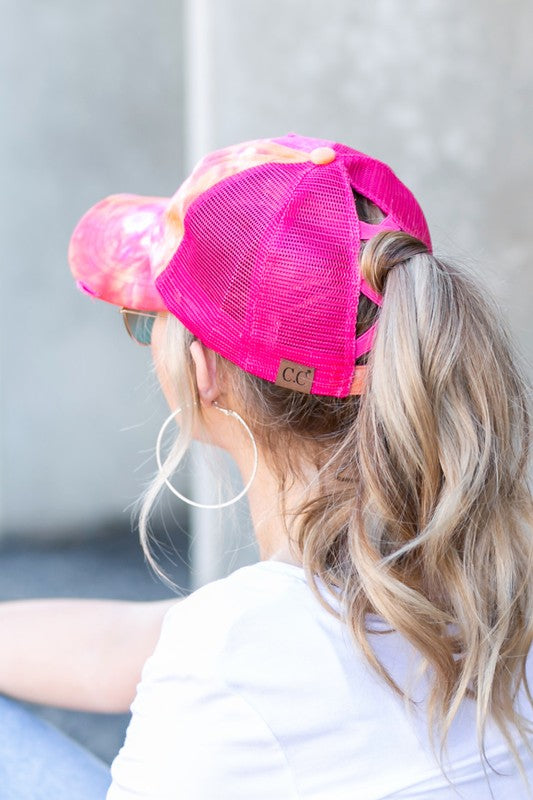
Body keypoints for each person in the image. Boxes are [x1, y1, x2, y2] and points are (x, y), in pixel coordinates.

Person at [1, 132, 532, 799]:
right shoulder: (488, 580)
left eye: (145, 322)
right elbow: (135, 645)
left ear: (202, 371)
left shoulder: (231, 661)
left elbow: (216, 655)